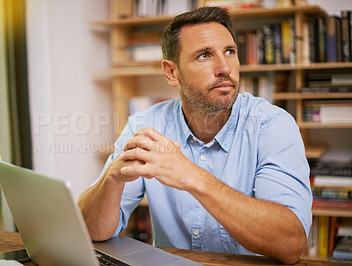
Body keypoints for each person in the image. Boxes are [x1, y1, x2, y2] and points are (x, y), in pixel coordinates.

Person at [78, 6, 312, 264]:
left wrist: (191, 176)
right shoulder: (145, 125)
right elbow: (93, 232)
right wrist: (111, 179)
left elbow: (291, 245)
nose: (224, 68)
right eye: (204, 55)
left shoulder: (273, 125)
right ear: (171, 72)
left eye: (230, 52)